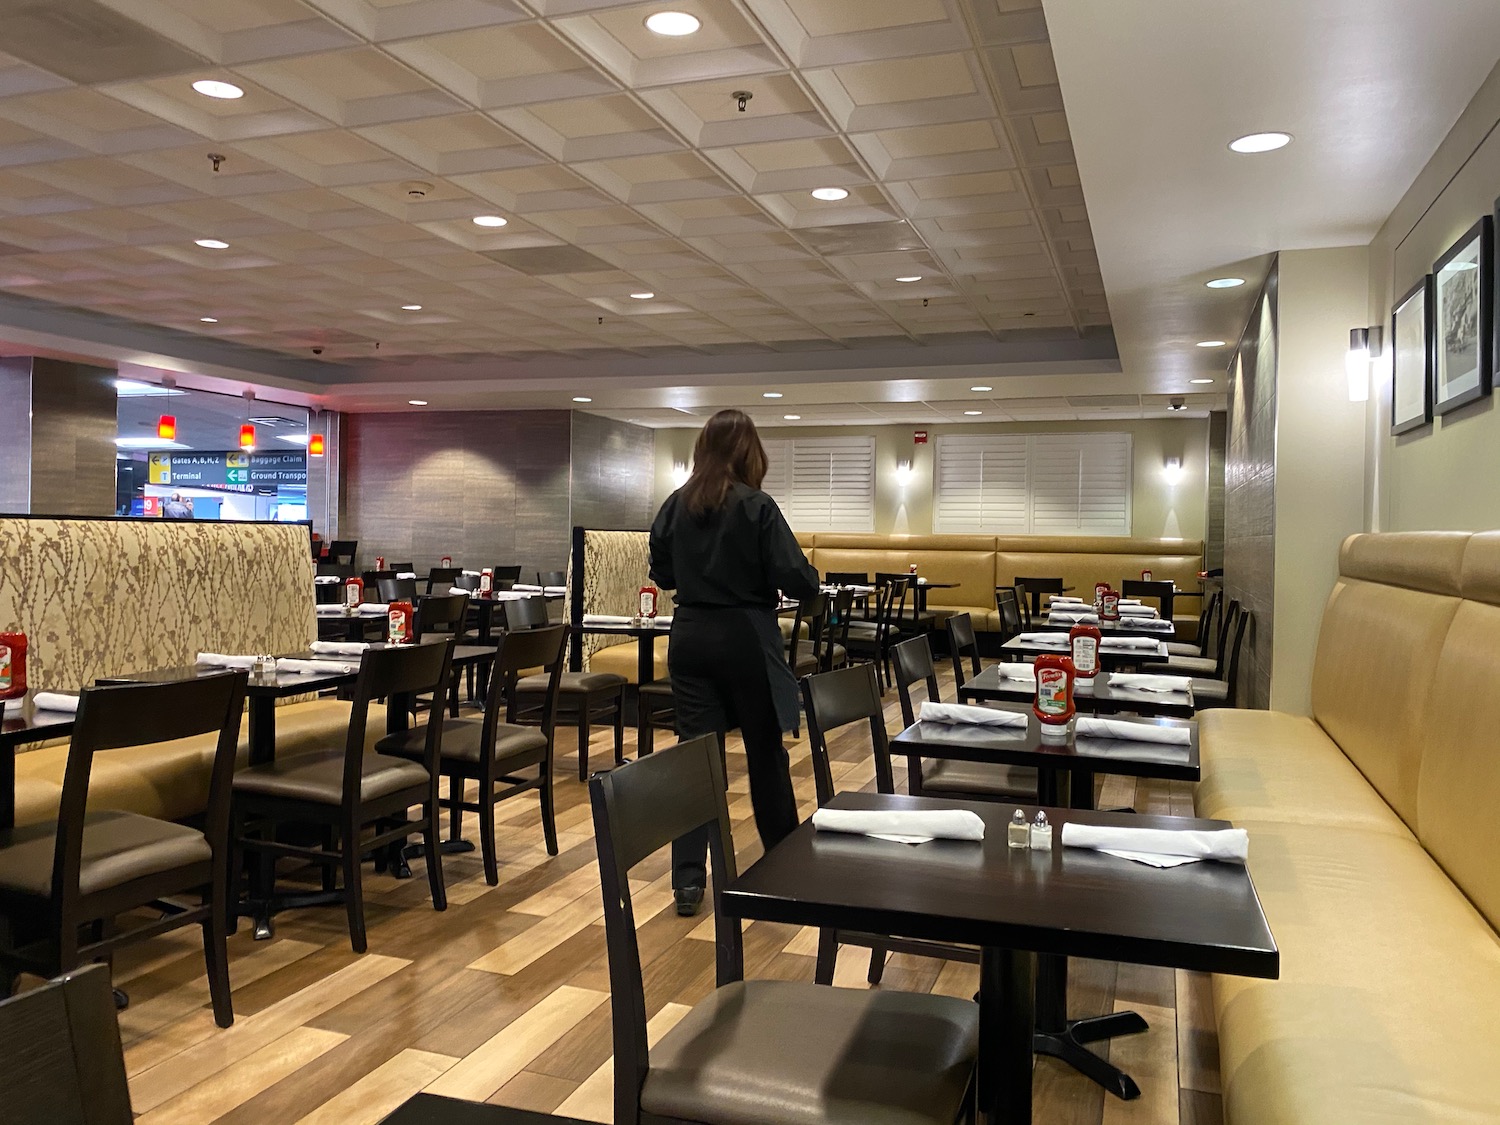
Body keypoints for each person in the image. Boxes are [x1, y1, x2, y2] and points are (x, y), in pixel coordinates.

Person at [649, 409, 819, 916]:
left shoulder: (675, 505)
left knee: (697, 758)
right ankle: (785, 869)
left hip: (691, 636)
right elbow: (797, 578)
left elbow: (662, 574)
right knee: (764, 754)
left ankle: (686, 882)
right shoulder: (758, 506)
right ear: (750, 453)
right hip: (747, 635)